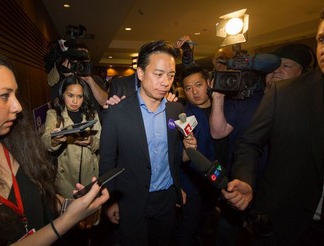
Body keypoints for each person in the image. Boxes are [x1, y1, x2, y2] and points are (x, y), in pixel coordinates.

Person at [221, 1, 324, 244]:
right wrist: (245, 179)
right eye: (322, 39)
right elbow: (249, 143)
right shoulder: (284, 93)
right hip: (283, 224)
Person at [0, 46, 109, 245]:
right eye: (4, 95)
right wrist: (67, 219)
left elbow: (41, 196)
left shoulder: (19, 145)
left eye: (15, 94)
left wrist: (65, 205)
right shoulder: (55, 115)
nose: (18, 106)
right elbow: (48, 142)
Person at [98, 40, 197, 246]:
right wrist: (110, 201)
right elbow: (107, 162)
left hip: (167, 201)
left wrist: (190, 149)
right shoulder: (117, 113)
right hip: (131, 201)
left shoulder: (176, 110)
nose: (165, 82)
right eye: (158, 74)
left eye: (170, 75)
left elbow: (178, 157)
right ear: (141, 73)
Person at [174, 65, 230, 245]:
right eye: (188, 88)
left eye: (198, 85)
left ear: (209, 84)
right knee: (187, 228)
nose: (194, 92)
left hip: (219, 177)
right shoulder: (183, 115)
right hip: (192, 182)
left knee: (206, 227)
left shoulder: (224, 108)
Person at [41, 76, 101, 199]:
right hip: (66, 179)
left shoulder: (92, 115)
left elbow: (102, 142)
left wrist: (91, 141)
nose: (75, 101)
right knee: (69, 214)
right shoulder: (54, 115)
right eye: (70, 95)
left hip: (90, 175)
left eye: (79, 96)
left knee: (91, 215)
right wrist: (56, 139)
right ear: (63, 94)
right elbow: (45, 140)